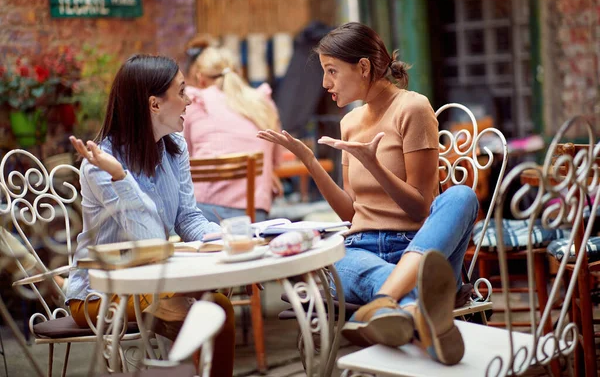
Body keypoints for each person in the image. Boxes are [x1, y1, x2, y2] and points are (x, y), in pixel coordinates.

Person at [257, 22, 478, 365]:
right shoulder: (350, 122)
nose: (324, 83)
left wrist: (374, 165)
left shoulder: (413, 108)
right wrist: (311, 162)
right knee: (337, 256)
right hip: (360, 252)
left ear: (362, 67)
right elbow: (351, 214)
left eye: (331, 71)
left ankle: (390, 300)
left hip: (419, 251)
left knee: (461, 196)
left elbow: (420, 209)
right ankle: (418, 308)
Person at [66, 54, 235, 376]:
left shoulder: (174, 147)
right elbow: (150, 240)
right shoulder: (101, 164)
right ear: (154, 105)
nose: (190, 100)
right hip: (100, 294)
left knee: (219, 307)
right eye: (182, 91)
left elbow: (188, 218)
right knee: (198, 317)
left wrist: (226, 240)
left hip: (157, 283)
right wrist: (120, 176)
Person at [183, 45, 283, 223]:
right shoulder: (262, 102)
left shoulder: (195, 102)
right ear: (239, 72)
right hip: (254, 213)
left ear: (200, 78)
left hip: (201, 215)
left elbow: (183, 158)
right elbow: (276, 161)